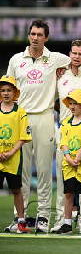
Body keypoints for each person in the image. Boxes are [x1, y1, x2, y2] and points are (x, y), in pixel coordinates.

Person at [5, 19, 81, 233]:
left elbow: (80, 60)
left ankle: (43, 216)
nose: (35, 38)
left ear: (46, 38)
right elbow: (7, 89)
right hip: (21, 117)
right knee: (22, 172)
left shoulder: (56, 59)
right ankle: (21, 217)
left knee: (45, 170)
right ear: (29, 35)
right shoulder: (16, 60)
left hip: (45, 117)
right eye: (32, 34)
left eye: (39, 35)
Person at [52, 39, 81, 233]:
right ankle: (65, 221)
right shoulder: (60, 74)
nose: (77, 57)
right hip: (66, 132)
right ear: (69, 54)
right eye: (74, 53)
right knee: (66, 185)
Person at [57, 89, 81, 234]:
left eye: (76, 103)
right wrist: (68, 158)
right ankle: (67, 224)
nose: (72, 106)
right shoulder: (66, 122)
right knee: (68, 193)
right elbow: (63, 142)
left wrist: (78, 158)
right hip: (68, 164)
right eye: (70, 103)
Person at [0, 76, 32, 233]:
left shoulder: (20, 112)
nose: (6, 93)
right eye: (3, 91)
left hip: (13, 159)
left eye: (9, 90)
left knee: (16, 190)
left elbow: (23, 137)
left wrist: (11, 152)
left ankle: (21, 222)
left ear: (15, 92)